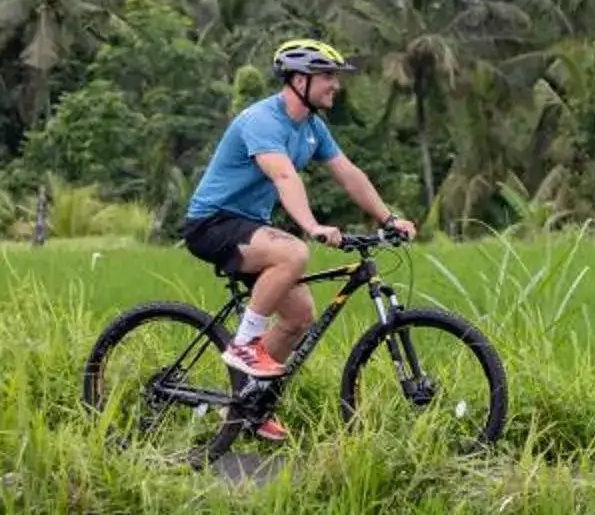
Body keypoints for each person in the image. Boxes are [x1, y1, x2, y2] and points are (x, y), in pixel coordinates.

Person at [175, 38, 416, 440]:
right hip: (212, 224)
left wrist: (388, 217)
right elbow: (284, 176)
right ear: (298, 79)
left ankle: (245, 406)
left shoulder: (312, 128)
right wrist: (312, 226)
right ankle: (244, 344)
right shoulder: (262, 120)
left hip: (250, 227)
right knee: (293, 253)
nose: (334, 85)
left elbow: (349, 173)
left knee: (299, 317)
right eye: (326, 76)